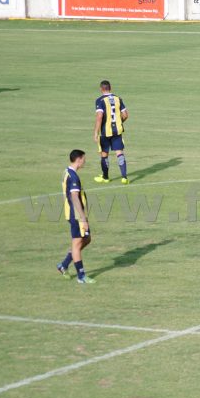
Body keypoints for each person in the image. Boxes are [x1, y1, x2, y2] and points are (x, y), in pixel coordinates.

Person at [55, 149, 95, 284]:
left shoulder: (67, 172)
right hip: (76, 215)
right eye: (84, 158)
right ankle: (81, 276)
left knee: (87, 239)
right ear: (78, 159)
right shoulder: (73, 176)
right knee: (77, 245)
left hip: (74, 214)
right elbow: (74, 198)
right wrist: (82, 218)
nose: (85, 161)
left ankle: (64, 265)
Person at [93, 80, 130, 184]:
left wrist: (96, 132)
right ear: (110, 88)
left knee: (104, 154)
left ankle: (105, 177)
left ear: (101, 89)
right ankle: (124, 177)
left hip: (105, 132)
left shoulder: (100, 100)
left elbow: (99, 117)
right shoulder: (118, 99)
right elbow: (126, 115)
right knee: (119, 153)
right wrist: (119, 122)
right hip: (117, 131)